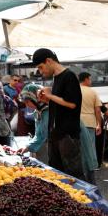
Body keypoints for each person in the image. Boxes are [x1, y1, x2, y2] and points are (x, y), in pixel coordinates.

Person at [18, 84, 99, 182]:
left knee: (81, 175)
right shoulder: (39, 112)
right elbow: (39, 134)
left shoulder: (54, 109)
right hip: (62, 146)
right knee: (67, 177)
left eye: (28, 101)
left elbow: (49, 133)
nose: (27, 105)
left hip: (74, 143)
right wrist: (28, 147)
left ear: (36, 98)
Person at [32, 48, 84, 180]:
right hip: (56, 134)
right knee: (57, 174)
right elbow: (61, 105)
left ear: (48, 61)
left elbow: (72, 104)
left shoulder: (69, 76)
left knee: (72, 176)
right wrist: (48, 100)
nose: (41, 71)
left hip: (67, 135)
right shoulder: (56, 77)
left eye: (41, 67)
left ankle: (80, 200)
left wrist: (50, 95)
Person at [79, 72, 103, 180]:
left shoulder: (75, 90)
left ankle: (80, 173)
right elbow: (97, 110)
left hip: (76, 122)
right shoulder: (92, 92)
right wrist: (99, 124)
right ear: (86, 79)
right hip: (89, 123)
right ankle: (89, 174)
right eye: (90, 79)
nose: (91, 81)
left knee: (79, 148)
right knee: (89, 149)